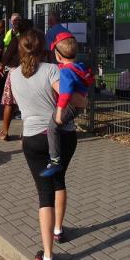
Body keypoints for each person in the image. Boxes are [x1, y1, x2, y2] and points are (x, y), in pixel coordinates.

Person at [9, 29, 86, 260]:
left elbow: (17, 103)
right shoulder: (52, 69)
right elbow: (78, 101)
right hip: (62, 136)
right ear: (45, 49)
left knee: (44, 195)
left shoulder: (12, 75)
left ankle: (48, 256)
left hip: (31, 139)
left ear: (19, 49)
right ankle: (58, 230)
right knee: (59, 180)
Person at [41, 32, 94, 177]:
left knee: (52, 127)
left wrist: (59, 111)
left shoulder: (65, 73)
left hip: (69, 106)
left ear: (58, 55)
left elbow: (66, 93)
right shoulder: (79, 66)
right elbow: (89, 80)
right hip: (80, 103)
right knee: (58, 126)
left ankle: (55, 161)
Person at [0, 18, 32, 140]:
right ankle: (26, 133)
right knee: (28, 104)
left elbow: (6, 56)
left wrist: (1, 65)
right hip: (31, 73)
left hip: (15, 73)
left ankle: (5, 132)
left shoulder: (16, 40)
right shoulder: (35, 41)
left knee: (9, 102)